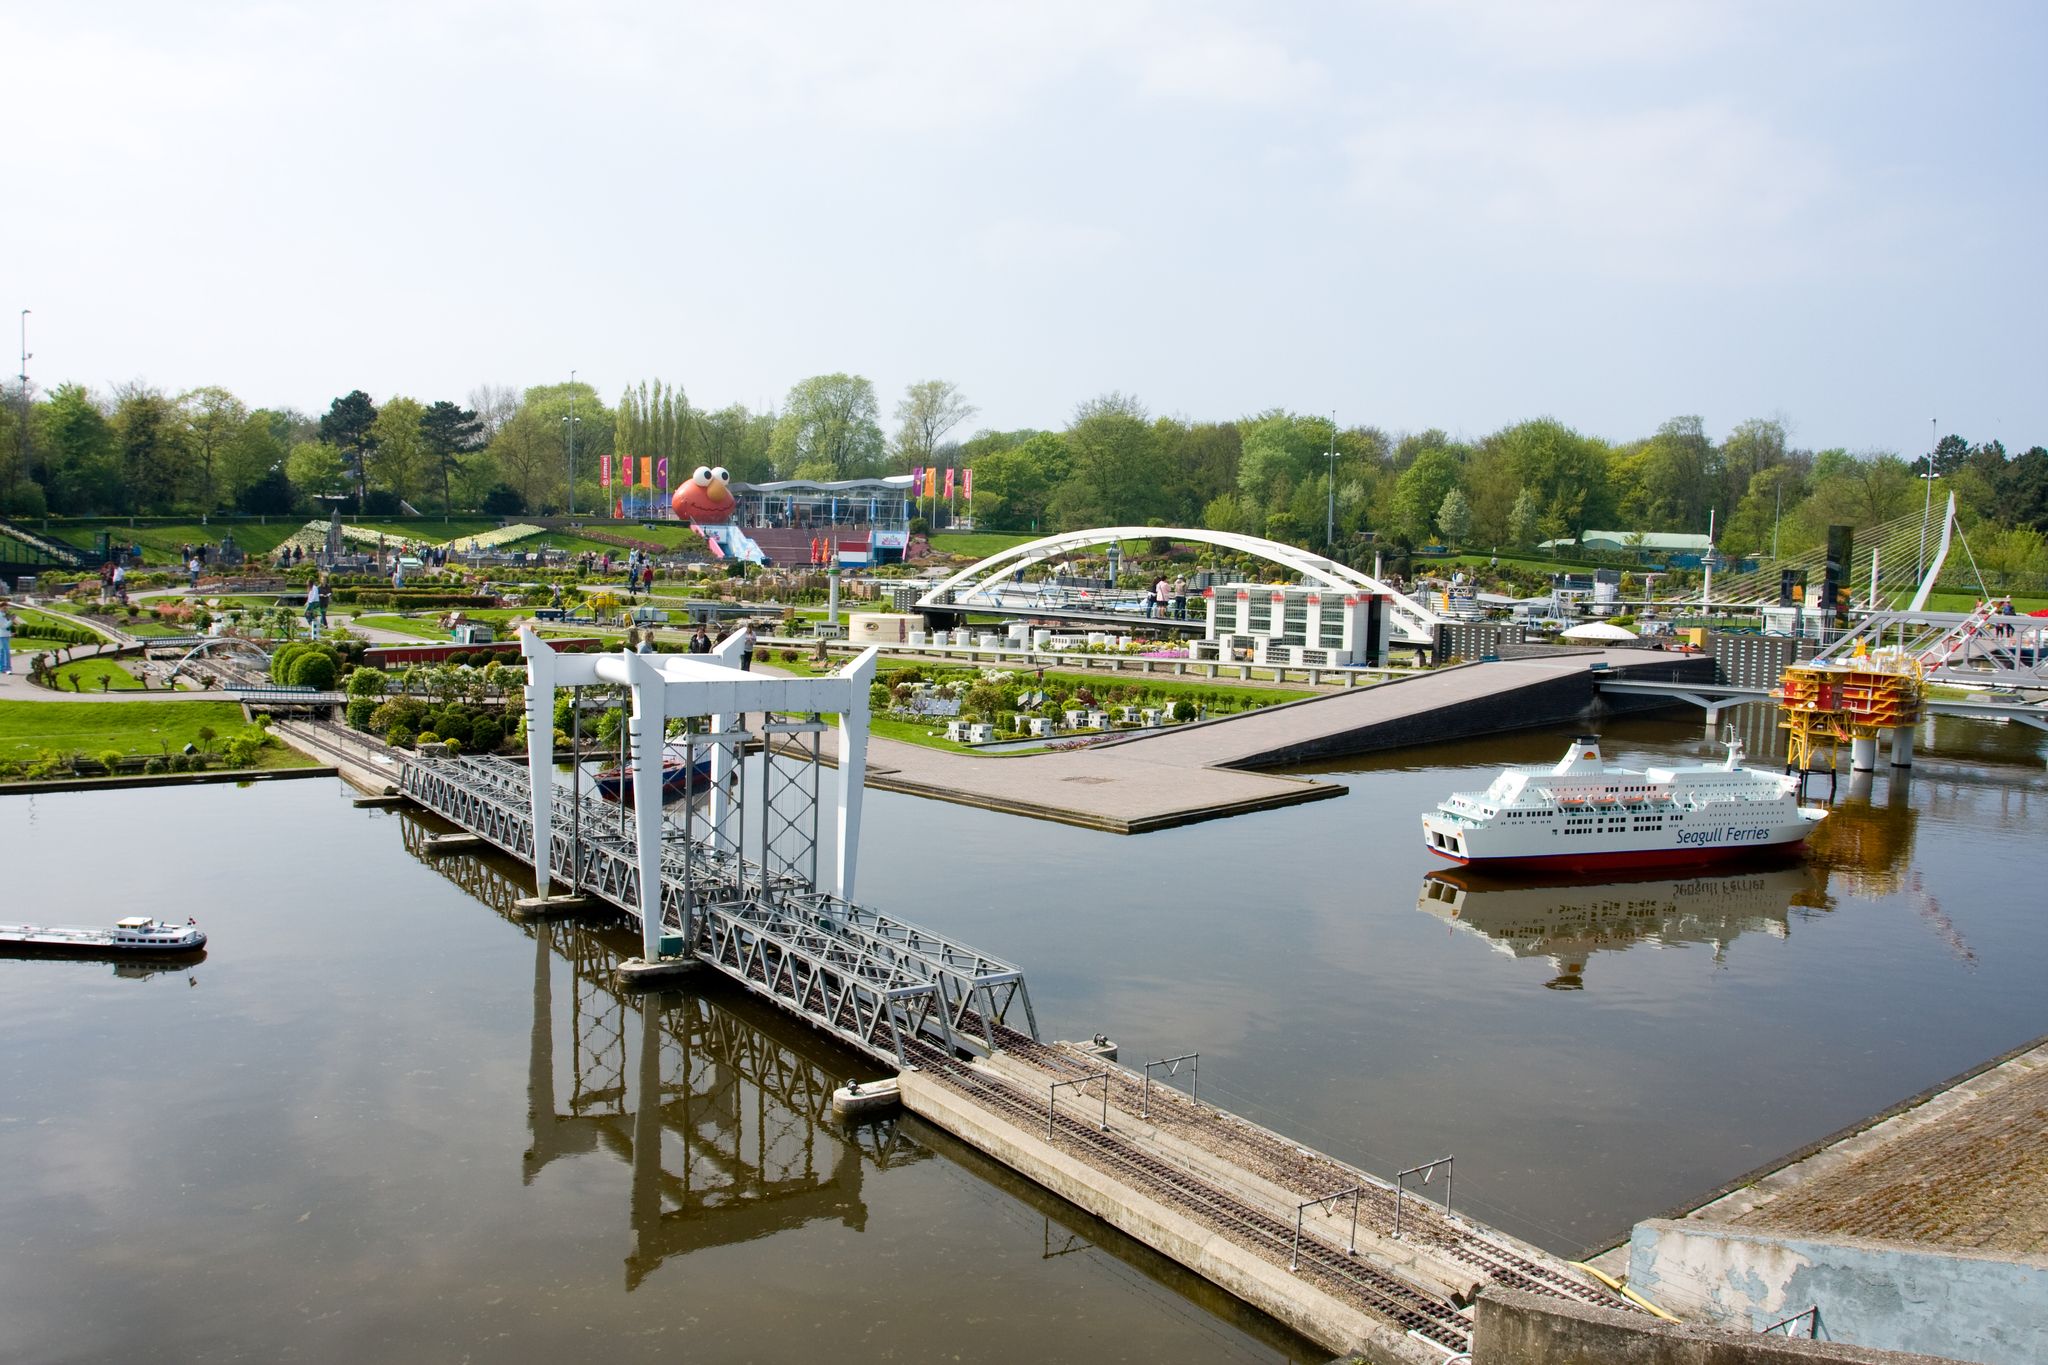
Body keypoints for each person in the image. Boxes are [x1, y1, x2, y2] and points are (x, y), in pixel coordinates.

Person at [0, 599, 13, 675]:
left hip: (6, 635)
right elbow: (3, 626)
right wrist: (11, 620)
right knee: (6, 652)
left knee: (2, 652)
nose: (6, 609)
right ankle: (7, 668)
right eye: (4, 608)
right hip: (2, 635)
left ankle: (2, 668)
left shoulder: (5, 614)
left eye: (6, 608)